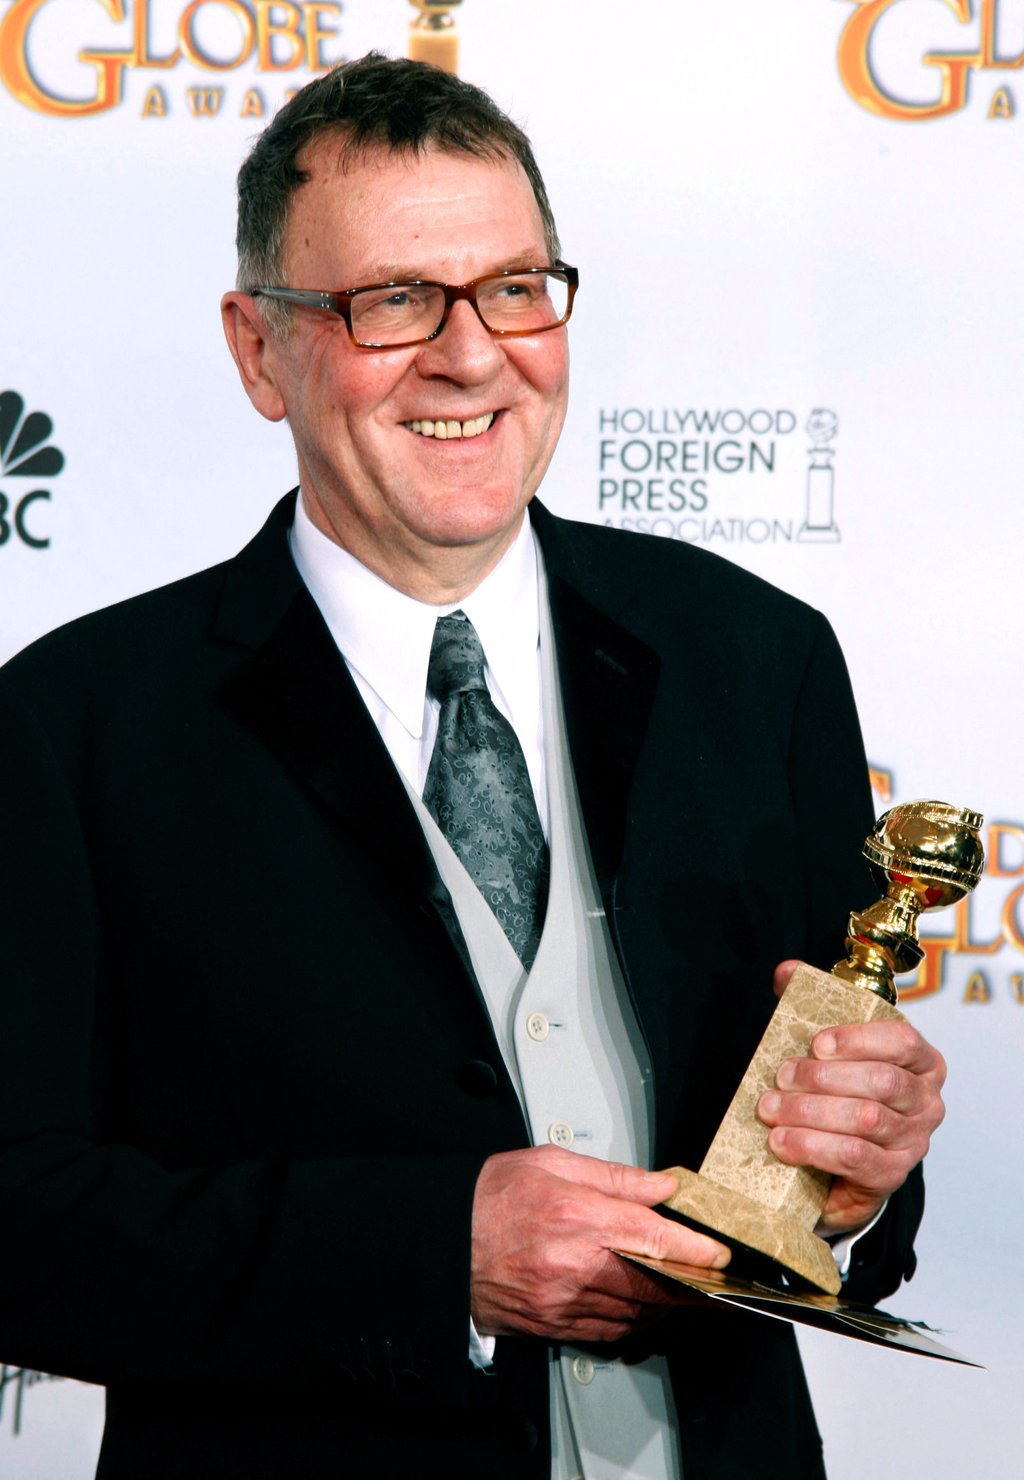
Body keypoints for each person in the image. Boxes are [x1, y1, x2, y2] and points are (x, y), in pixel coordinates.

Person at [0, 54, 945, 1480]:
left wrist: (858, 1178)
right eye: (392, 301)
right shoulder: (75, 726)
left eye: (515, 287)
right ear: (260, 349)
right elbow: (14, 1223)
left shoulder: (758, 661)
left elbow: (839, 1224)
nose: (470, 353)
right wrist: (431, 1255)